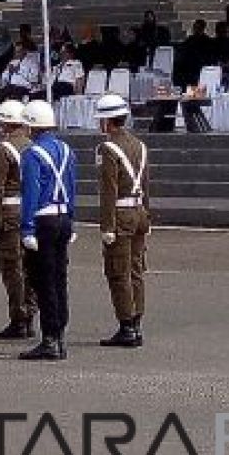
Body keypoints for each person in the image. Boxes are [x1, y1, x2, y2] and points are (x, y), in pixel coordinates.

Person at [18, 100, 77, 361]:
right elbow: (72, 187)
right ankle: (60, 335)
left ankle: (50, 338)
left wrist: (27, 228)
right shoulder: (67, 150)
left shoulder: (32, 154)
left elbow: (30, 193)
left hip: (43, 221)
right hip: (63, 216)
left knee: (43, 281)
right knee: (60, 278)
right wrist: (71, 219)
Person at [93, 93, 151, 348]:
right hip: (139, 212)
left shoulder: (108, 148)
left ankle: (126, 325)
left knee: (118, 272)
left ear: (107, 122)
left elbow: (108, 190)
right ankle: (136, 321)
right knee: (136, 270)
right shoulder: (140, 145)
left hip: (120, 215)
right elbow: (145, 185)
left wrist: (107, 226)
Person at [0, 100, 35, 339]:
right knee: (29, 266)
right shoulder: (32, 145)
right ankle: (30, 313)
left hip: (9, 212)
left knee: (11, 267)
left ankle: (19, 317)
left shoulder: (2, 149)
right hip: (30, 211)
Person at [175, 19, 215, 89]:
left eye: (199, 28)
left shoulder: (208, 41)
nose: (196, 30)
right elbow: (182, 51)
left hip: (200, 67)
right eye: (195, 27)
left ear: (203, 28)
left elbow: (209, 57)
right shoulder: (189, 40)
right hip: (188, 67)